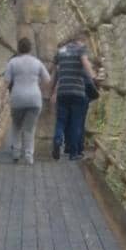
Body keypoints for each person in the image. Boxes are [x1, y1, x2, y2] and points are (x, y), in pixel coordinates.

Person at [49, 30, 96, 161]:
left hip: (63, 91)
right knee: (76, 122)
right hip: (77, 92)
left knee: (61, 120)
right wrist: (94, 76)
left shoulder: (60, 51)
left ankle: (58, 140)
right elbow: (85, 63)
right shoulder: (81, 49)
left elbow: (52, 69)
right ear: (81, 40)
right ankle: (74, 153)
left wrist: (51, 90)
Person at [3, 37, 50, 165]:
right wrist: (38, 88)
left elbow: (6, 81)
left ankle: (16, 153)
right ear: (30, 48)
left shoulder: (12, 63)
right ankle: (29, 156)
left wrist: (3, 97)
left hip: (17, 98)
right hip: (34, 99)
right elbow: (47, 79)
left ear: (18, 48)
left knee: (16, 126)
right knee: (30, 128)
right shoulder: (37, 62)